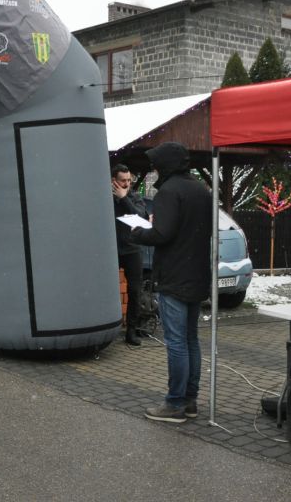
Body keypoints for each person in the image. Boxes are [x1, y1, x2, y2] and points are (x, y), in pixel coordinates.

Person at [130, 142, 212, 423]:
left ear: (165, 164)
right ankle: (190, 401)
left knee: (176, 342)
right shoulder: (201, 190)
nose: (153, 169)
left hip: (174, 276)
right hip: (197, 274)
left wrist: (138, 231)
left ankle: (174, 403)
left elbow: (162, 234)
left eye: (155, 164)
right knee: (191, 340)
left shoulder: (168, 191)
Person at [112, 163, 148, 346]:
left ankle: (132, 331)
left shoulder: (134, 196)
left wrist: (124, 198)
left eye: (129, 180)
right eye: (122, 181)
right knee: (108, 289)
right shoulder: (105, 197)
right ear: (113, 181)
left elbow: (140, 217)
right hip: (111, 249)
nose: (126, 184)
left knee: (135, 290)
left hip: (132, 249)